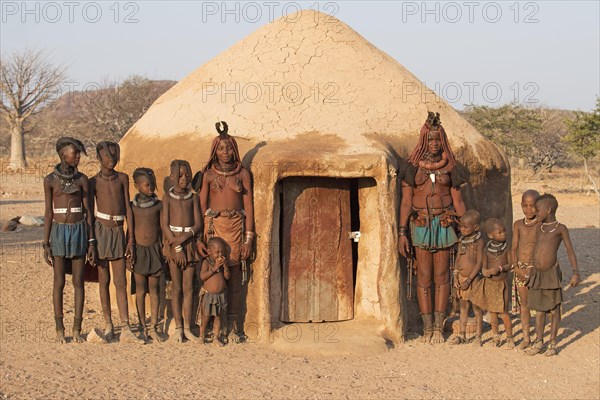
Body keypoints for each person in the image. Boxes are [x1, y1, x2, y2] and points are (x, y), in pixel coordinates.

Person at [398, 112, 468, 343]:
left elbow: (458, 201)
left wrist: (468, 232)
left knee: (442, 276)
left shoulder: (452, 168)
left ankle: (439, 326)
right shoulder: (411, 168)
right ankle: (427, 326)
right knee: (424, 277)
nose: (435, 144)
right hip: (420, 224)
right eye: (431, 140)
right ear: (424, 141)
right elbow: (406, 201)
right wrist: (402, 233)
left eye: (438, 140)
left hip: (445, 223)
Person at [199, 121, 254, 343]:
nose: (225, 152)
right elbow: (201, 207)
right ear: (215, 150)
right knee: (214, 276)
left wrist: (248, 239)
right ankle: (210, 326)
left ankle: (233, 326)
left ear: (235, 149)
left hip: (236, 229)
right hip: (215, 229)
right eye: (221, 148)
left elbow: (248, 207)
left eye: (229, 148)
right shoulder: (209, 175)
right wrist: (200, 237)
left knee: (235, 282)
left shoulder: (242, 174)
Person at [89, 141, 143, 343]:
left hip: (119, 230)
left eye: (114, 156)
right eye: (106, 156)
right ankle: (108, 325)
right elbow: (88, 212)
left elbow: (128, 208)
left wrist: (131, 238)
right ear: (98, 158)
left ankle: (126, 326)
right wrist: (92, 241)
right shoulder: (93, 182)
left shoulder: (122, 178)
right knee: (103, 280)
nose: (111, 159)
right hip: (101, 230)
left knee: (121, 281)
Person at [43, 137, 92, 343]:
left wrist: (91, 241)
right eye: (75, 153)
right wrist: (45, 243)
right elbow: (48, 211)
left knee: (78, 281)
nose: (79, 156)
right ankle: (59, 329)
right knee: (59, 281)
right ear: (64, 155)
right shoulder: (50, 180)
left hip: (79, 230)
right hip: (58, 232)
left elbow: (89, 210)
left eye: (79, 153)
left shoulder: (82, 180)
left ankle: (77, 329)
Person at [526, 194, 580, 356]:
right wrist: (528, 267)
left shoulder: (560, 228)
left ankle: (553, 343)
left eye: (538, 210)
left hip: (550, 274)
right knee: (539, 310)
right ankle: (539, 341)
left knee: (554, 309)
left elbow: (569, 250)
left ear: (549, 210)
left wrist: (575, 272)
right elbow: (534, 248)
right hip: (537, 274)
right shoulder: (538, 227)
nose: (536, 213)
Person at [162, 159, 204, 343]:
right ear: (172, 177)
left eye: (187, 174)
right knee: (176, 288)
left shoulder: (193, 198)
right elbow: (164, 225)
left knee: (188, 288)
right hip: (174, 246)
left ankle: (188, 327)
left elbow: (198, 224)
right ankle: (178, 327)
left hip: (188, 245)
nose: (184, 178)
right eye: (180, 175)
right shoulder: (167, 198)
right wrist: (176, 246)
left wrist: (184, 239)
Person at [129, 167, 165, 342]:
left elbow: (162, 228)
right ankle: (142, 326)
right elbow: (130, 231)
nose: (150, 187)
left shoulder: (159, 206)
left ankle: (154, 327)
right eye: (146, 185)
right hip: (139, 251)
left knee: (155, 290)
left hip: (155, 250)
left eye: (152, 184)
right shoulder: (132, 207)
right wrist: (129, 251)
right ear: (136, 186)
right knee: (141, 290)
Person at [471, 218, 515, 348]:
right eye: (499, 232)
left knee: (503, 312)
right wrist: (486, 271)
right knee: (492, 312)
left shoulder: (507, 248)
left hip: (502, 283)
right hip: (490, 283)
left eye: (504, 231)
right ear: (490, 235)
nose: (504, 234)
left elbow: (510, 264)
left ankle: (510, 337)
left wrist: (500, 269)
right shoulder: (486, 249)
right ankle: (496, 336)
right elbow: (483, 267)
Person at [511, 189, 540, 349]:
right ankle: (526, 338)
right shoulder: (518, 225)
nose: (529, 209)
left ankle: (540, 338)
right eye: (525, 205)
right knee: (525, 304)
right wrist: (516, 267)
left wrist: (533, 268)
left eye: (532, 206)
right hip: (520, 270)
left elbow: (542, 248)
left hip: (537, 270)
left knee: (540, 306)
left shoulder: (541, 225)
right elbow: (514, 247)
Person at [449, 210, 484, 346]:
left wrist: (469, 279)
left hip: (473, 279)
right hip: (461, 279)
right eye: (461, 227)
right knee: (463, 306)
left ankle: (478, 337)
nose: (462, 229)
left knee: (476, 308)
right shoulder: (462, 241)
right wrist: (456, 275)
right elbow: (458, 259)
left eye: (466, 227)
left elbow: (479, 262)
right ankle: (462, 334)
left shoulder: (479, 242)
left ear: (475, 228)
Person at [198, 237, 230, 346]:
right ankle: (201, 336)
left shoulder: (222, 264)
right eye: (217, 252)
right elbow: (202, 277)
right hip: (208, 295)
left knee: (218, 317)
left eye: (222, 252)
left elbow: (227, 277)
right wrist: (214, 268)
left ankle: (216, 337)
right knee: (205, 317)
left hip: (220, 296)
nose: (220, 254)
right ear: (209, 252)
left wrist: (225, 266)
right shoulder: (207, 263)